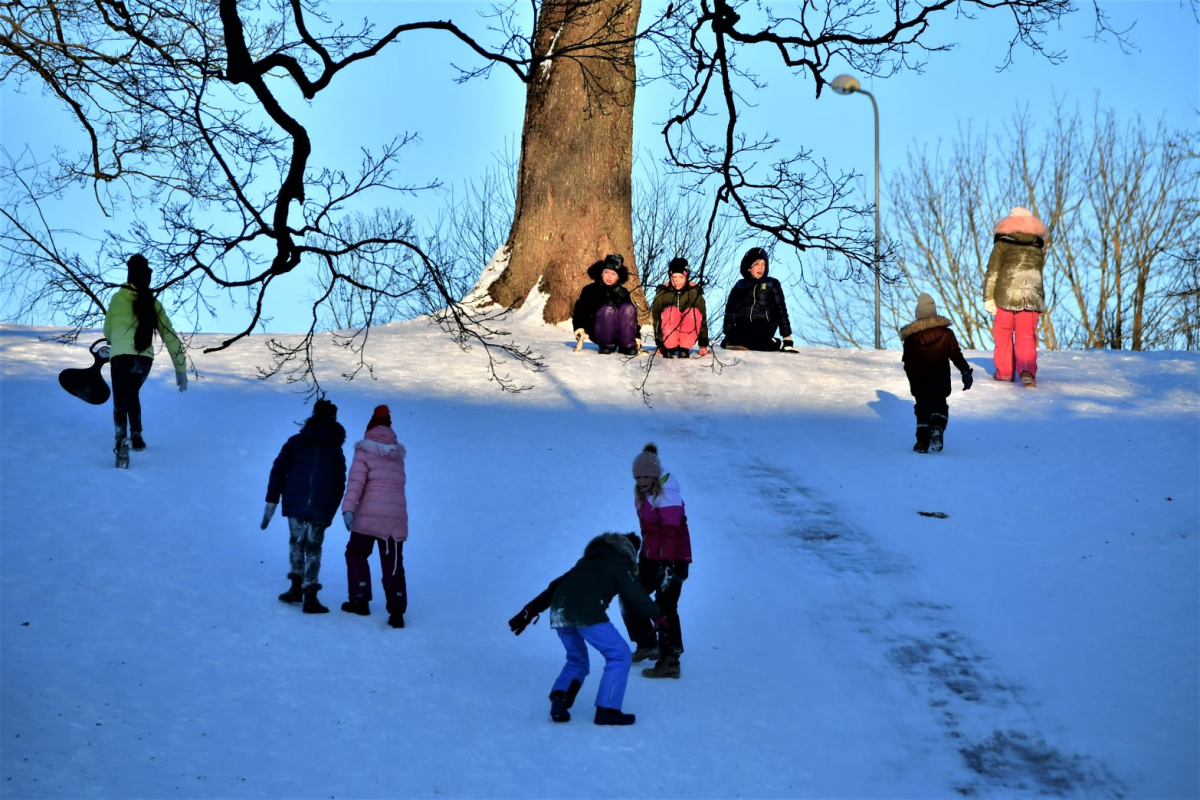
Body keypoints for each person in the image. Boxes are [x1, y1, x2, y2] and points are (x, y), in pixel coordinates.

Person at [509, 532, 665, 726]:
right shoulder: (620, 562)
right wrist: (659, 617)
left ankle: (560, 701)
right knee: (620, 655)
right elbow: (636, 593)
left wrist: (531, 609)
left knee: (577, 660)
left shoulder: (587, 561)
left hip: (561, 610)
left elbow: (556, 585)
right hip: (587, 612)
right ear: (630, 551)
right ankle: (607, 710)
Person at [262, 398, 347, 614]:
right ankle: (310, 596)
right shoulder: (335, 449)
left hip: (296, 501)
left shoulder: (295, 442)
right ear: (334, 419)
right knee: (314, 548)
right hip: (321, 504)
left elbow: (278, 471)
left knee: (296, 543)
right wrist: (332, 509)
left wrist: (272, 499)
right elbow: (339, 483)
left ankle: (295, 588)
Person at [102, 253, 187, 468]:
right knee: (132, 393)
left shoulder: (117, 298)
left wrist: (118, 339)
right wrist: (180, 369)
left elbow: (108, 332)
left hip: (121, 357)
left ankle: (122, 439)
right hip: (143, 360)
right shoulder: (153, 302)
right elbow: (170, 335)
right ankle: (137, 434)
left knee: (121, 398)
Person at [621, 443, 692, 680]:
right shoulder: (644, 493)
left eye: (646, 476)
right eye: (638, 476)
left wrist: (667, 564)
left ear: (654, 475)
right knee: (631, 596)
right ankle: (647, 643)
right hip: (652, 557)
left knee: (665, 606)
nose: (641, 480)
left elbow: (671, 532)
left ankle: (670, 660)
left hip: (672, 559)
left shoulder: (668, 493)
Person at [339, 405, 409, 629]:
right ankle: (397, 611)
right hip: (395, 518)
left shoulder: (364, 451)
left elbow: (356, 483)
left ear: (369, 428)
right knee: (393, 565)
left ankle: (360, 599)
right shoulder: (397, 455)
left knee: (356, 553)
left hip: (368, 515)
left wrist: (348, 509)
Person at [900, 293, 974, 453]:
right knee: (939, 406)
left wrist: (912, 379)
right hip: (940, 380)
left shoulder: (910, 339)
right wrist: (965, 371)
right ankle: (937, 427)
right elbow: (956, 354)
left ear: (918, 314)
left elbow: (907, 363)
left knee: (922, 410)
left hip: (920, 382)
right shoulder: (946, 334)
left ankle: (921, 443)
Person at [983, 206, 1048, 387]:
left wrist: (988, 298)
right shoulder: (1037, 246)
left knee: (1003, 332)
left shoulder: (1002, 243)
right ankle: (1027, 372)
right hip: (1032, 295)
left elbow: (993, 272)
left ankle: (1004, 372)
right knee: (1026, 334)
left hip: (1006, 293)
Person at [721, 247, 796, 353]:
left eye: (763, 264)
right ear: (748, 267)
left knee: (753, 338)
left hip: (764, 325)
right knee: (728, 342)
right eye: (756, 264)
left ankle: (773, 342)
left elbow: (781, 311)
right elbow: (730, 309)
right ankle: (739, 341)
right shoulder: (740, 285)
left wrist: (787, 338)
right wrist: (728, 331)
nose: (761, 268)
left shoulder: (772, 283)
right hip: (743, 324)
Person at [571, 254, 641, 355]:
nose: (609, 276)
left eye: (613, 274)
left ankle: (627, 345)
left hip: (621, 334)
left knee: (628, 308)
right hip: (599, 331)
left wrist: (637, 337)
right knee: (608, 309)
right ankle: (606, 345)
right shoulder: (590, 290)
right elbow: (580, 312)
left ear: (618, 277)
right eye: (606, 272)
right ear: (601, 273)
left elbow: (631, 318)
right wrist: (580, 329)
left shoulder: (623, 292)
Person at [651, 257, 710, 358]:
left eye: (681, 277)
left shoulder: (693, 292)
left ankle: (684, 348)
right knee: (671, 312)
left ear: (686, 277)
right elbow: (656, 319)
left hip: (687, 338)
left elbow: (702, 319)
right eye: (674, 277)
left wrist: (703, 345)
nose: (677, 281)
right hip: (667, 339)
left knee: (693, 313)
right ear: (670, 276)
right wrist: (660, 345)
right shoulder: (663, 292)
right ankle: (669, 347)